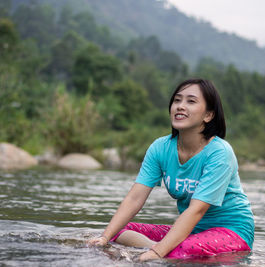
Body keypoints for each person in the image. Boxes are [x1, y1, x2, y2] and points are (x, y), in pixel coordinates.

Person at [88, 78, 254, 261]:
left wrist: (157, 253)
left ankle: (167, 250)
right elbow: (135, 198)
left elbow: (196, 210)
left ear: (208, 115)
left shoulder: (219, 153)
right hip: (192, 230)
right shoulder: (160, 148)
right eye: (177, 100)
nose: (180, 106)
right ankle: (165, 248)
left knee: (180, 250)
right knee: (120, 231)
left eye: (191, 101)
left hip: (231, 231)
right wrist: (104, 237)